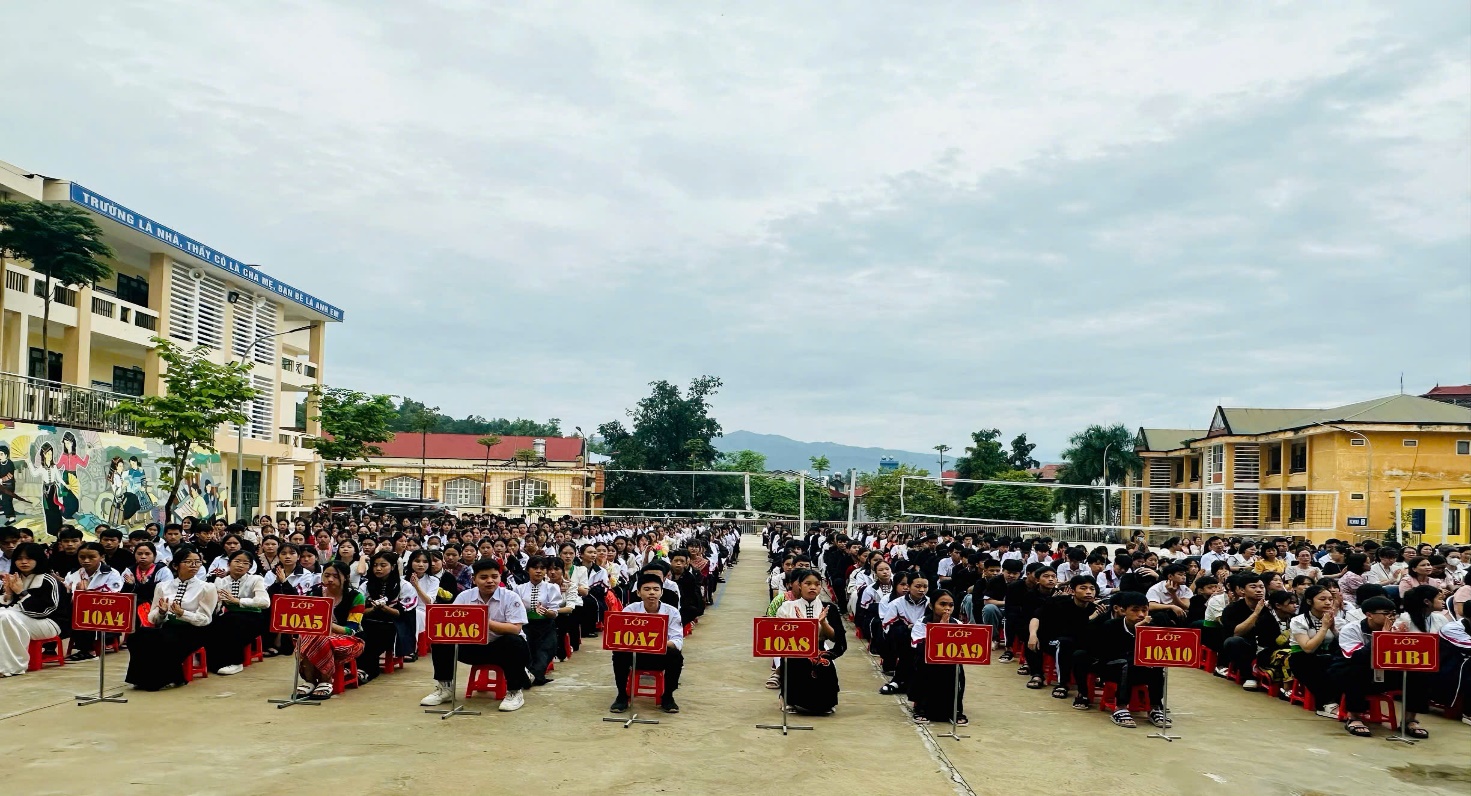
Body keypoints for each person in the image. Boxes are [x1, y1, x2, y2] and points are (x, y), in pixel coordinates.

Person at [1331, 595, 1432, 738]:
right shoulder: (1352, 629)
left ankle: (1409, 720)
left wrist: (1402, 640)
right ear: (1369, 615)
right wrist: (1382, 637)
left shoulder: (1397, 627)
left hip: (1384, 673)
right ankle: (1354, 718)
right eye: (1386, 614)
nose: (1391, 618)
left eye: (1393, 614)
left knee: (1418, 672)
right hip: (1349, 670)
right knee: (1356, 671)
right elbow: (1357, 657)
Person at [124, 545, 218, 691]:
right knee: (138, 636)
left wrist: (182, 613)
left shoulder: (207, 588)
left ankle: (162, 679)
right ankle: (140, 677)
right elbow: (152, 618)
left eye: (197, 562)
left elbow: (205, 619)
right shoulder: (163, 586)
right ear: (175, 565)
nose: (194, 566)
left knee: (165, 641)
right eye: (188, 562)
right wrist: (161, 613)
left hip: (194, 630)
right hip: (168, 627)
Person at [1093, 591, 1170, 729]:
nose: (1141, 614)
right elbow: (1106, 654)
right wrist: (1135, 633)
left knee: (1156, 664)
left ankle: (1155, 707)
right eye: (1135, 610)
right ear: (1123, 610)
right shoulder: (1110, 625)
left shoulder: (1151, 627)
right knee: (1128, 662)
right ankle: (1121, 707)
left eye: (1144, 610)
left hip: (1137, 669)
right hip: (1111, 668)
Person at [609, 572, 684, 714]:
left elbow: (677, 640)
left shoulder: (672, 612)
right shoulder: (630, 610)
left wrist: (657, 643)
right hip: (636, 655)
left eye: (656, 589)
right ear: (638, 592)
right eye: (647, 589)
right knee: (618, 653)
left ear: (661, 592)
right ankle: (621, 696)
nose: (652, 593)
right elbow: (620, 636)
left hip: (660, 655)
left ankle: (668, 696)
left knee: (675, 655)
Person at [776, 567, 846, 716]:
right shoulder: (787, 607)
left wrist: (824, 622)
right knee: (797, 662)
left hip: (819, 648)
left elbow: (836, 638)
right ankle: (788, 698)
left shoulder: (829, 608)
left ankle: (826, 701)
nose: (813, 587)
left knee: (824, 662)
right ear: (799, 586)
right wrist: (802, 628)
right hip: (794, 650)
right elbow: (780, 637)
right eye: (808, 583)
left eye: (817, 584)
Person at [295, 560, 366, 700]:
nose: (330, 579)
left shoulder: (356, 596)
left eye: (335, 576)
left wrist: (326, 625)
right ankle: (310, 680)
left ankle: (325, 679)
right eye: (326, 575)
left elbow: (351, 629)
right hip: (317, 635)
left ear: (345, 577)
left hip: (349, 640)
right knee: (306, 636)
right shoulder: (315, 592)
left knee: (320, 638)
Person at [0, 543, 66, 676]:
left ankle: (14, 666)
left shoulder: (48, 580)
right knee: (5, 616)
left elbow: (44, 611)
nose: (24, 562)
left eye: (29, 558)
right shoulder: (14, 578)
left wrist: (21, 592)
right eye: (19, 558)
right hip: (18, 619)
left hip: (48, 623)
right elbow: (7, 606)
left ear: (38, 559)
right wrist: (8, 594)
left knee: (6, 616)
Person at [204, 549, 269, 675]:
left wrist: (238, 601)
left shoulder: (255, 579)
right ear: (229, 563)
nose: (240, 565)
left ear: (250, 566)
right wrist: (216, 601)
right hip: (230, 615)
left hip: (253, 615)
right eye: (237, 561)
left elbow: (265, 602)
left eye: (245, 563)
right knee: (213, 625)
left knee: (234, 624)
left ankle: (236, 661)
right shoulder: (221, 581)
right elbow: (217, 606)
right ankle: (213, 661)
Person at [909, 588, 965, 725]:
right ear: (931, 605)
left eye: (951, 605)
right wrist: (940, 629)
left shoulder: (958, 624)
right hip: (927, 662)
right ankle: (922, 708)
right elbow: (918, 646)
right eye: (943, 604)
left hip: (949, 664)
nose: (947, 609)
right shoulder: (921, 623)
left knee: (957, 670)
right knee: (922, 664)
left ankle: (956, 710)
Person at [64, 542, 125, 661]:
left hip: (105, 611)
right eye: (82, 557)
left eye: (91, 557)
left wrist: (86, 595)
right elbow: (67, 593)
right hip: (75, 609)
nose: (86, 561)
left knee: (86, 611)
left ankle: (88, 650)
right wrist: (70, 594)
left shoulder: (112, 573)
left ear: (102, 557)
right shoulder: (73, 573)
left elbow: (113, 596)